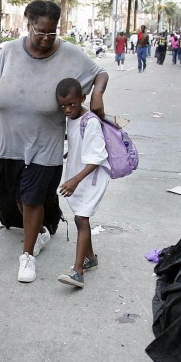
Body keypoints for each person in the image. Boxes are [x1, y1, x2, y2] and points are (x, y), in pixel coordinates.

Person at [0, 0, 108, 283]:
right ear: (27, 24)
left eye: (51, 33)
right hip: (9, 142)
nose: (45, 38)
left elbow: (100, 73)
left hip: (46, 144)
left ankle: (27, 255)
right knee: (16, 195)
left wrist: (97, 94)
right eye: (39, 31)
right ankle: (41, 231)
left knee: (31, 199)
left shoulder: (70, 54)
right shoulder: (8, 51)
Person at [55, 78, 109, 289]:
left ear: (83, 99)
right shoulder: (72, 118)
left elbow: (97, 158)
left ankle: (78, 272)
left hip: (91, 177)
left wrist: (75, 180)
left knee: (81, 219)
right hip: (78, 176)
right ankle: (91, 259)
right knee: (79, 216)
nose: (67, 110)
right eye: (63, 106)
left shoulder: (91, 122)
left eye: (72, 104)